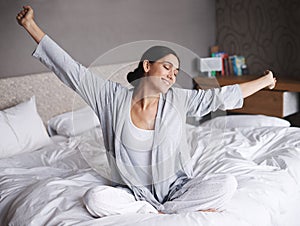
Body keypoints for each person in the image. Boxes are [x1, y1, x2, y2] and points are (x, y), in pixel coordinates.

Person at [17, 6, 276, 216]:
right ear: (147, 65)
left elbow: (221, 97)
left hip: (177, 188)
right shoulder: (110, 98)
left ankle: (162, 211)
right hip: (132, 191)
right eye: (166, 67)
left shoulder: (178, 99)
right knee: (95, 198)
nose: (172, 76)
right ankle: (157, 210)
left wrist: (264, 81)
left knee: (227, 184)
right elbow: (71, 70)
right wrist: (31, 26)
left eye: (175, 73)